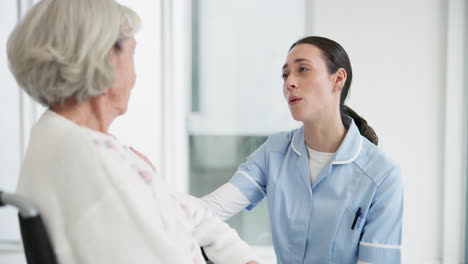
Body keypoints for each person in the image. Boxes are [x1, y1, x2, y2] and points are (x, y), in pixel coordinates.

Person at [8, 0, 259, 263]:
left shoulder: (63, 138)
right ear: (106, 58)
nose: (135, 75)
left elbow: (182, 212)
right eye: (131, 54)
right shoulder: (94, 164)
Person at [197, 36, 403, 264]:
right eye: (285, 75)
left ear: (338, 79)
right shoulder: (274, 151)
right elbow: (207, 210)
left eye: (303, 69)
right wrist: (154, 192)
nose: (289, 83)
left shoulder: (383, 175)